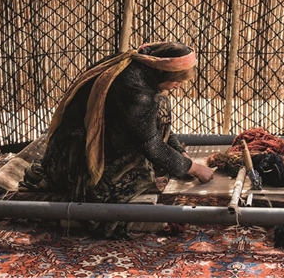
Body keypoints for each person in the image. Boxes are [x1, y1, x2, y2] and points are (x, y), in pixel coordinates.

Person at [21, 41, 214, 237]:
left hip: (78, 148)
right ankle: (101, 188)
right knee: (161, 105)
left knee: (161, 103)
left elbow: (150, 127)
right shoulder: (135, 89)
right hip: (79, 162)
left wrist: (180, 154)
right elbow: (151, 145)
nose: (178, 86)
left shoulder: (135, 67)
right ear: (164, 73)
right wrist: (195, 168)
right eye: (177, 81)